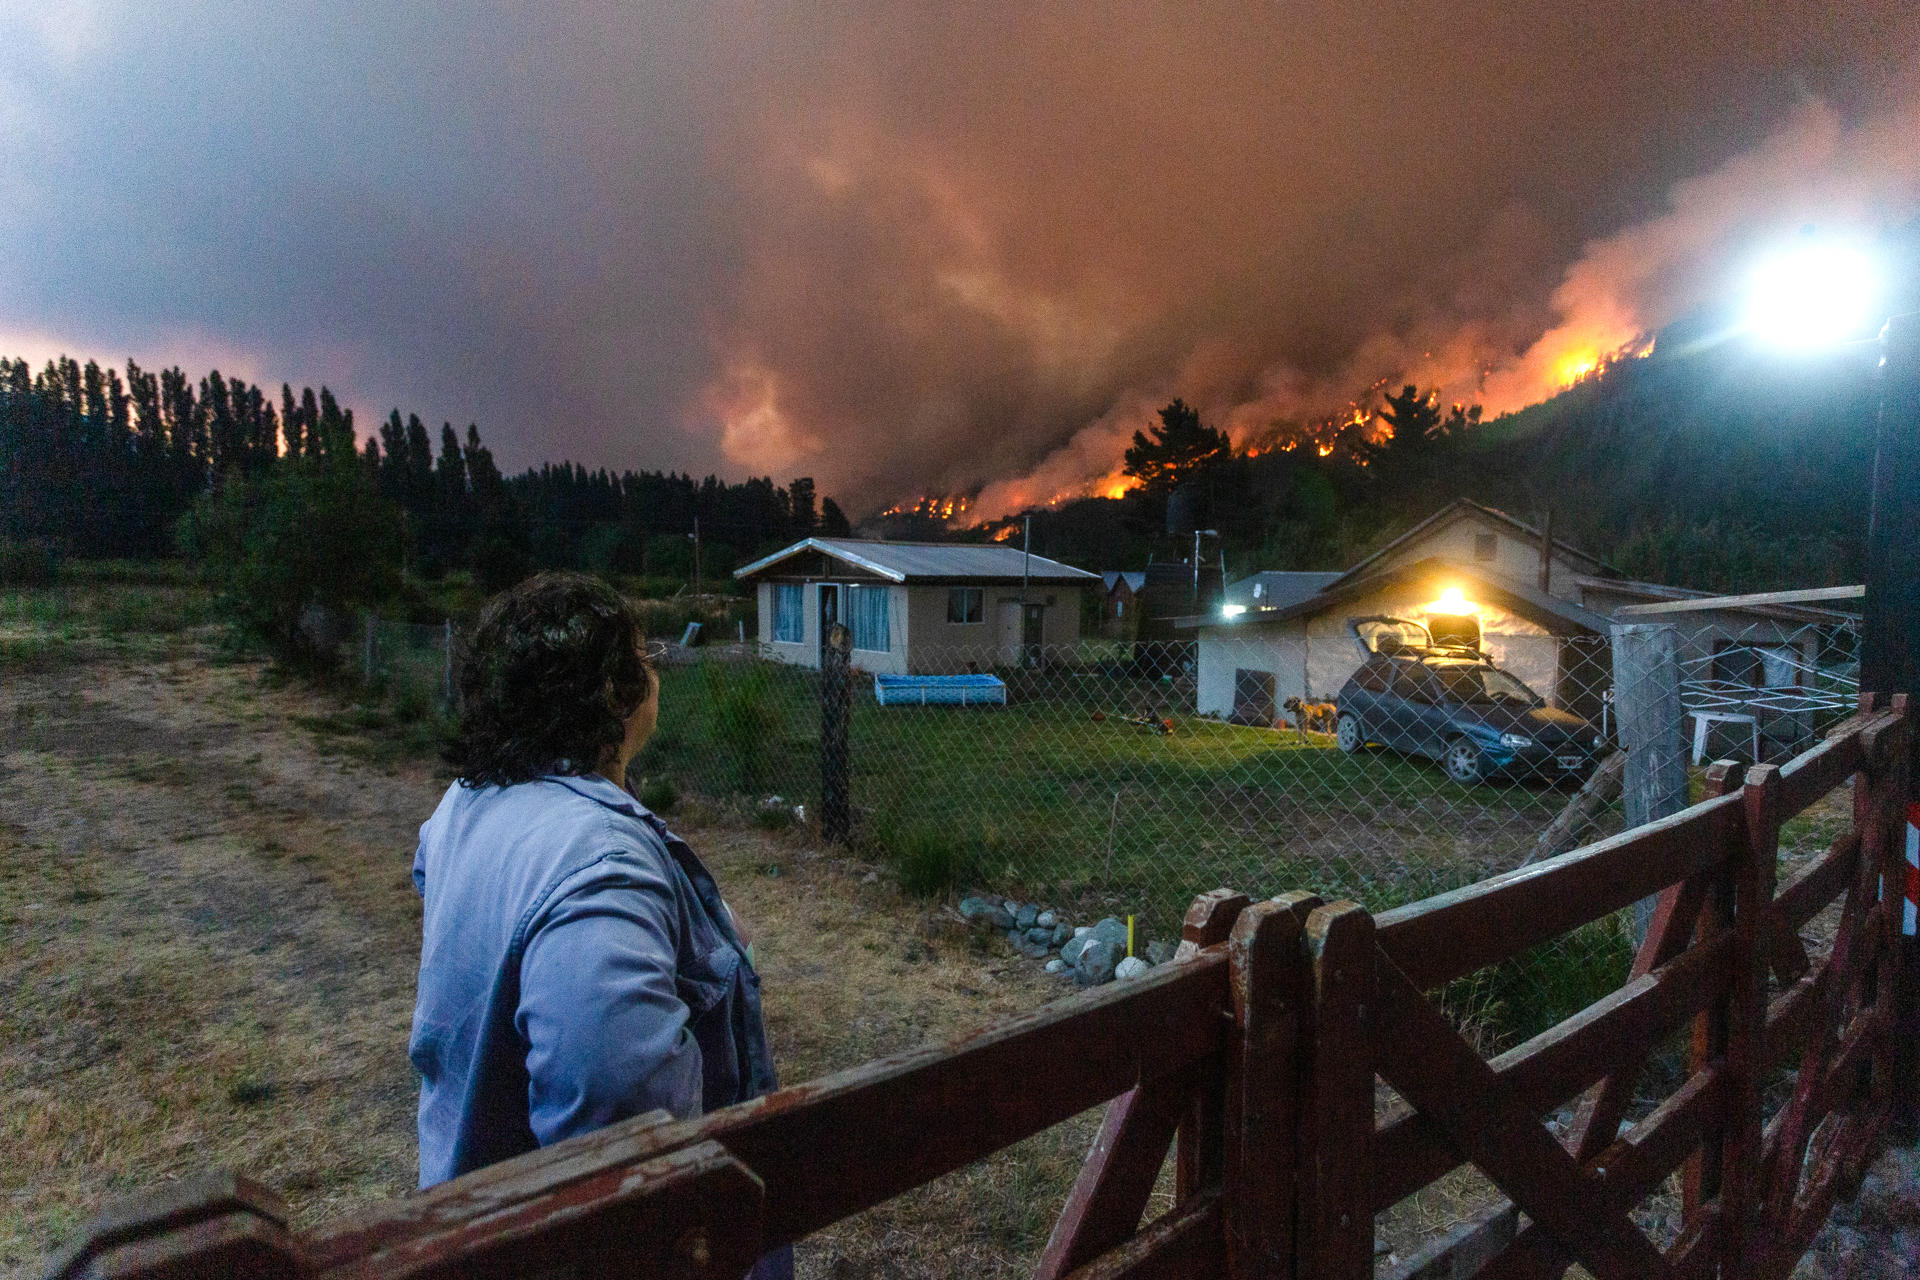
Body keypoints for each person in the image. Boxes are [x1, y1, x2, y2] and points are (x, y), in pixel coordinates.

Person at [409, 572, 788, 1277]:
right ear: (614, 696)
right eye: (644, 659)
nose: (655, 675)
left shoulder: (463, 807)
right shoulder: (602, 862)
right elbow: (620, 1117)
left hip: (468, 1219)